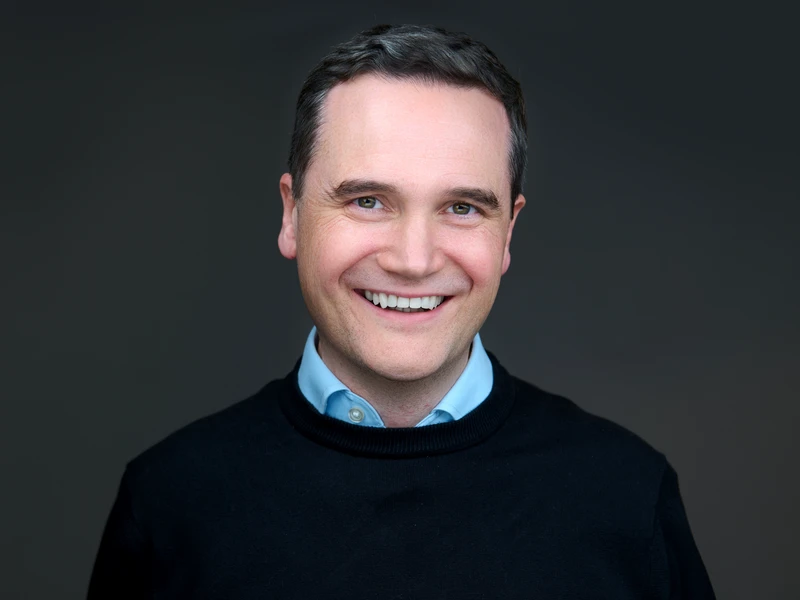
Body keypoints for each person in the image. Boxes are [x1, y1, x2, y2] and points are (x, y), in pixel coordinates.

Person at [87, 24, 716, 598]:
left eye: (463, 208)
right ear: (292, 213)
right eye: (367, 200)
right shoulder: (171, 502)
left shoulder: (624, 495)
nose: (414, 261)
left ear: (508, 233)